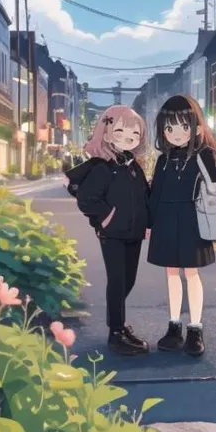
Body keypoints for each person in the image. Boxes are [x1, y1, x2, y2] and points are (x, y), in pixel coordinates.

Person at [148, 95, 216, 357]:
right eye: (169, 128)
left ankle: (195, 328)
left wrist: (211, 157)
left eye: (184, 127)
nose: (176, 134)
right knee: (172, 273)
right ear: (163, 130)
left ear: (196, 128)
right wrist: (150, 223)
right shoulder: (164, 160)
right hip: (166, 218)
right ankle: (174, 326)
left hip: (194, 218)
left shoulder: (204, 155)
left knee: (191, 273)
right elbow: (155, 193)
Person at [74, 105, 151, 356]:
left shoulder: (132, 165)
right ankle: (115, 332)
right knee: (117, 281)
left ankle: (119, 325)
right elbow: (87, 199)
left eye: (134, 134)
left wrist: (147, 222)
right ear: (106, 134)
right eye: (120, 131)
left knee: (128, 279)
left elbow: (143, 195)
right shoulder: (102, 167)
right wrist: (105, 219)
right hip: (113, 234)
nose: (128, 138)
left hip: (134, 233)